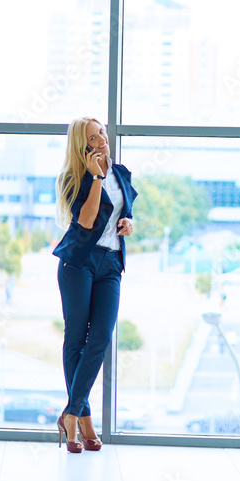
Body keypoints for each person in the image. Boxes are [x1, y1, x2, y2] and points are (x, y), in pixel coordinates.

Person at [52, 117, 138, 453]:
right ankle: (83, 422)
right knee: (76, 339)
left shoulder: (122, 173)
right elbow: (87, 221)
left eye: (102, 131)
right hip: (79, 263)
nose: (102, 138)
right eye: (93, 136)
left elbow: (122, 213)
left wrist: (128, 223)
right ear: (82, 146)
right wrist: (96, 177)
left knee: (100, 337)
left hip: (111, 264)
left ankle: (71, 414)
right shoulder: (73, 178)